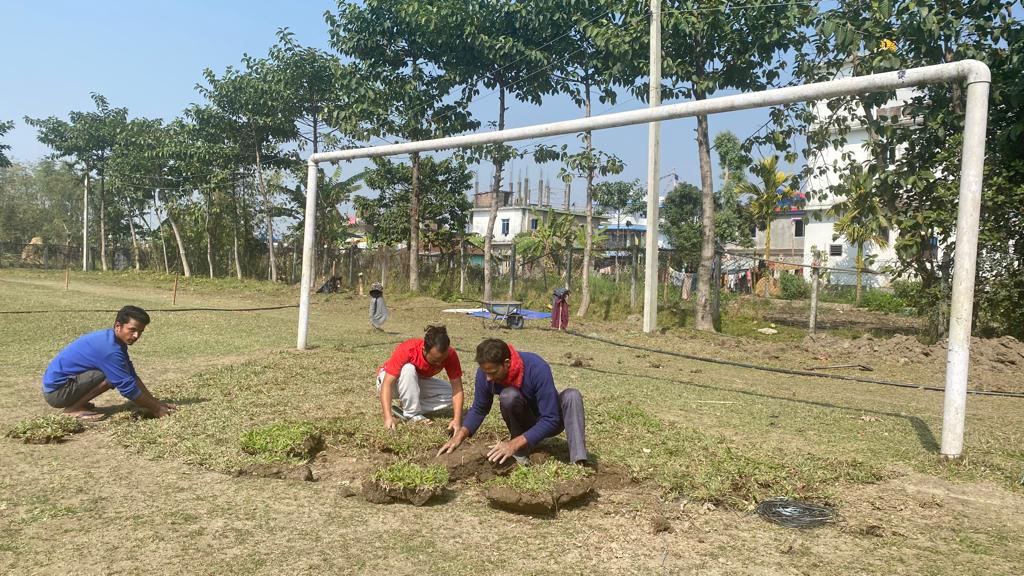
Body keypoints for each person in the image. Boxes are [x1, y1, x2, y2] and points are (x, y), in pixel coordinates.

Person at [437, 338, 587, 466]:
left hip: (550, 420)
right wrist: (460, 435)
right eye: (485, 372)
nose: (488, 378)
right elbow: (479, 409)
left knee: (572, 395)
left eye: (493, 372)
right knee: (508, 395)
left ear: (507, 363)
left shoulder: (537, 367)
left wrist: (512, 444)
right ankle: (522, 450)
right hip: (526, 422)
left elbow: (551, 418)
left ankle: (578, 460)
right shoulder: (485, 374)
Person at [41, 305, 176, 421]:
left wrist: (155, 402)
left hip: (61, 387)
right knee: (112, 375)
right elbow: (127, 388)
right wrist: (157, 410)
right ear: (118, 326)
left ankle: (76, 404)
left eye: (140, 331)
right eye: (132, 330)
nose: (136, 336)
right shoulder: (109, 350)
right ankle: (73, 409)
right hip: (57, 393)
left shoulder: (112, 340)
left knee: (118, 373)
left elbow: (131, 375)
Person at [377, 325, 464, 430]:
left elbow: (457, 389)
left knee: (451, 394)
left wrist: (457, 420)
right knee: (408, 368)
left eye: (442, 359)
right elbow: (387, 384)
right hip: (389, 384)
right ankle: (412, 413)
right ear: (424, 350)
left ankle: (407, 406)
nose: (439, 363)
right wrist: (387, 417)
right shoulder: (408, 349)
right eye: (435, 360)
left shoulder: (450, 354)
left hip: (415, 382)